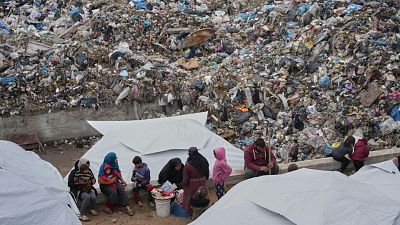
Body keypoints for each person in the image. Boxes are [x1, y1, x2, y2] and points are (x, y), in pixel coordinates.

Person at [183, 147, 209, 214]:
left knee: (191, 196)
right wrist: (205, 178)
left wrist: (184, 184)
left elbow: (186, 178)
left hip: (192, 184)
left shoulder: (188, 164)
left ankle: (191, 211)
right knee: (203, 195)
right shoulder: (204, 160)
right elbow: (207, 172)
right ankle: (204, 209)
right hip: (203, 182)